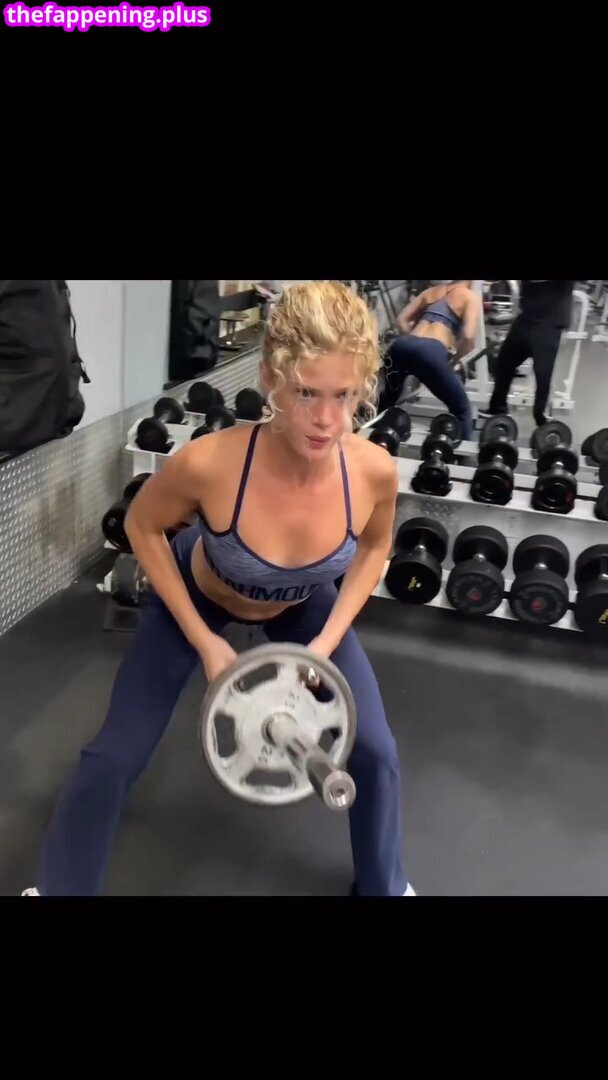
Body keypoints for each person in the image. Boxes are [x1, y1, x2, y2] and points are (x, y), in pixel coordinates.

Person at [23, 281, 415, 898]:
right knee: (116, 754)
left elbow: (374, 549)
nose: (326, 419)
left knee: (375, 751)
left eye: (344, 395)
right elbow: (142, 526)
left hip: (303, 602)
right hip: (201, 590)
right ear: (270, 379)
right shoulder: (209, 464)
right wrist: (205, 642)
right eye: (306, 392)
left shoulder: (372, 472)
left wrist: (324, 645)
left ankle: (385, 886)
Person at [383, 280, 480, 440]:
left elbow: (400, 321)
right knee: (462, 409)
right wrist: (455, 358)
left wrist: (413, 342)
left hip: (401, 346)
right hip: (431, 350)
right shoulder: (469, 297)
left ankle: (372, 438)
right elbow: (469, 338)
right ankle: (463, 450)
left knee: (388, 399)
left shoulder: (430, 292)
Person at [479, 280, 575, 428]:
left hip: (549, 325)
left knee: (543, 375)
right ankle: (497, 409)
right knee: (503, 363)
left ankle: (541, 420)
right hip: (526, 320)